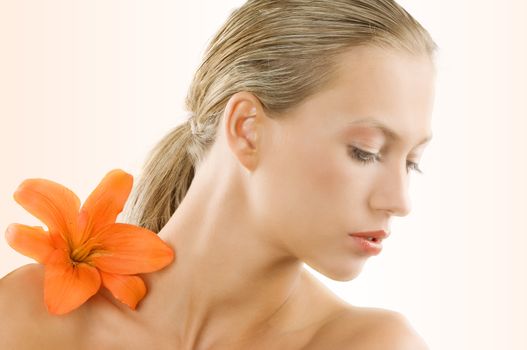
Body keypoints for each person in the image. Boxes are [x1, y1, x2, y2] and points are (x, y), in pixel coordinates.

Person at [0, 0, 437, 348]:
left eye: (411, 161)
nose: (399, 201)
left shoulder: (372, 345)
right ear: (247, 130)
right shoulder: (32, 316)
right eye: (366, 152)